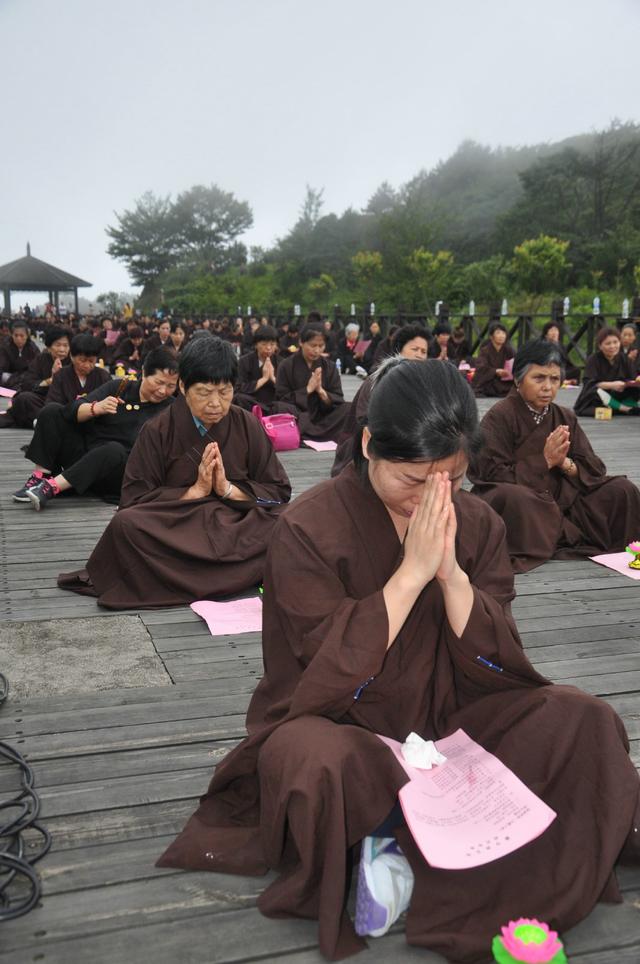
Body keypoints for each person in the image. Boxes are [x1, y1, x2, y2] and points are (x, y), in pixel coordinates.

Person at [157, 358, 640, 963]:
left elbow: (501, 660)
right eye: (413, 480)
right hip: (344, 723)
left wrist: (452, 577)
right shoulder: (308, 527)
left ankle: (393, 846)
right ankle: (411, 844)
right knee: (322, 764)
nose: (433, 500)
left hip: (454, 720)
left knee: (584, 720)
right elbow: (324, 670)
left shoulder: (478, 522)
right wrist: (409, 577)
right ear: (368, 446)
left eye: (453, 480)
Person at [57, 336, 291, 608]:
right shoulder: (158, 430)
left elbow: (278, 490)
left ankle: (196, 577)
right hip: (179, 526)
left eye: (225, 392)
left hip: (234, 520)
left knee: (289, 519)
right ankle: (240, 574)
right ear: (183, 386)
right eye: (204, 392)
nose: (216, 403)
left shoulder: (246, 424)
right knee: (127, 526)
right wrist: (194, 492)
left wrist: (227, 489)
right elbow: (133, 500)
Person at [467, 339, 640, 572]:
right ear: (518, 380)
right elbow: (489, 473)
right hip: (524, 497)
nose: (548, 387)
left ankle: (568, 532)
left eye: (554, 379)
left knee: (622, 489)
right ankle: (556, 533)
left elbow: (594, 468)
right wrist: (544, 461)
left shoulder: (564, 416)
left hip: (565, 496)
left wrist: (564, 463)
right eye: (538, 378)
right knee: (515, 498)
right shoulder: (500, 416)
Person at [14, 348, 179, 509]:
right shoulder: (120, 387)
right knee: (52, 411)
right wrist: (96, 408)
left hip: (118, 472)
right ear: (143, 372)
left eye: (171, 386)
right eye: (158, 382)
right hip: (85, 457)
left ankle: (51, 487)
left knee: (114, 450)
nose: (163, 391)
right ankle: (40, 477)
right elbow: (73, 409)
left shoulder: (171, 410)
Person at [331, 325, 430, 476]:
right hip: (372, 441)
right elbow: (364, 420)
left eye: (423, 352)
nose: (419, 355)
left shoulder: (423, 382)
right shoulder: (378, 380)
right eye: (414, 349)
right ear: (400, 349)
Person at [276, 325, 350, 442]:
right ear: (301, 342)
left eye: (321, 346)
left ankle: (306, 434)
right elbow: (282, 397)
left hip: (323, 418)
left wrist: (321, 391)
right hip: (299, 416)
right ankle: (318, 434)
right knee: (280, 407)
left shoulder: (329, 367)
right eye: (312, 345)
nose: (317, 350)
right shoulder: (286, 365)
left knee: (349, 408)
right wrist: (308, 390)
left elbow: (338, 399)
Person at [0, 327, 71, 429]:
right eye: (58, 345)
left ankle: (42, 420)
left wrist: (59, 378)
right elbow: (27, 383)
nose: (62, 349)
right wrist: (48, 381)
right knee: (24, 398)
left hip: (64, 402)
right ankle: (44, 420)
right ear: (49, 347)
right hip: (42, 400)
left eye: (65, 345)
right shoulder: (41, 360)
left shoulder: (73, 361)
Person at [574, 326, 640, 415]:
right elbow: (589, 383)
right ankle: (625, 409)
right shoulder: (593, 360)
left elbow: (632, 378)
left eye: (615, 342)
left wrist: (628, 383)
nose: (612, 346)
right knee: (596, 392)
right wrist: (611, 385)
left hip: (619, 394)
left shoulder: (624, 358)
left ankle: (618, 406)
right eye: (608, 343)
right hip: (600, 395)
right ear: (600, 346)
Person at [234, 325, 295, 415]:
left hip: (274, 404)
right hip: (252, 402)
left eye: (272, 344)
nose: (269, 348)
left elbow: (288, 392)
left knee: (287, 405)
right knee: (238, 398)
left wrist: (273, 379)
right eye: (264, 344)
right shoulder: (244, 361)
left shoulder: (283, 363)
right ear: (256, 344)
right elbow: (238, 388)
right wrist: (264, 379)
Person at [45, 333, 111, 405]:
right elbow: (52, 405)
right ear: (71, 356)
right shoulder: (60, 376)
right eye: (82, 360)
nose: (87, 365)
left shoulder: (103, 376)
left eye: (91, 361)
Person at [472, 322, 515, 397]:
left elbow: (516, 363)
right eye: (498, 333)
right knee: (489, 386)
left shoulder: (508, 350)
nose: (502, 336)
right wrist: (495, 371)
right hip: (490, 380)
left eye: (503, 333)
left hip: (504, 380)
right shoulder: (485, 350)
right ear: (491, 336)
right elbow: (481, 367)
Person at [0, 320, 40, 389]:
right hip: (9, 375)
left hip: (25, 376)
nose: (19, 339)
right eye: (16, 335)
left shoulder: (33, 348)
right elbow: (2, 367)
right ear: (12, 335)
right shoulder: (5, 346)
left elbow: (37, 367)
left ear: (27, 336)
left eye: (22, 336)